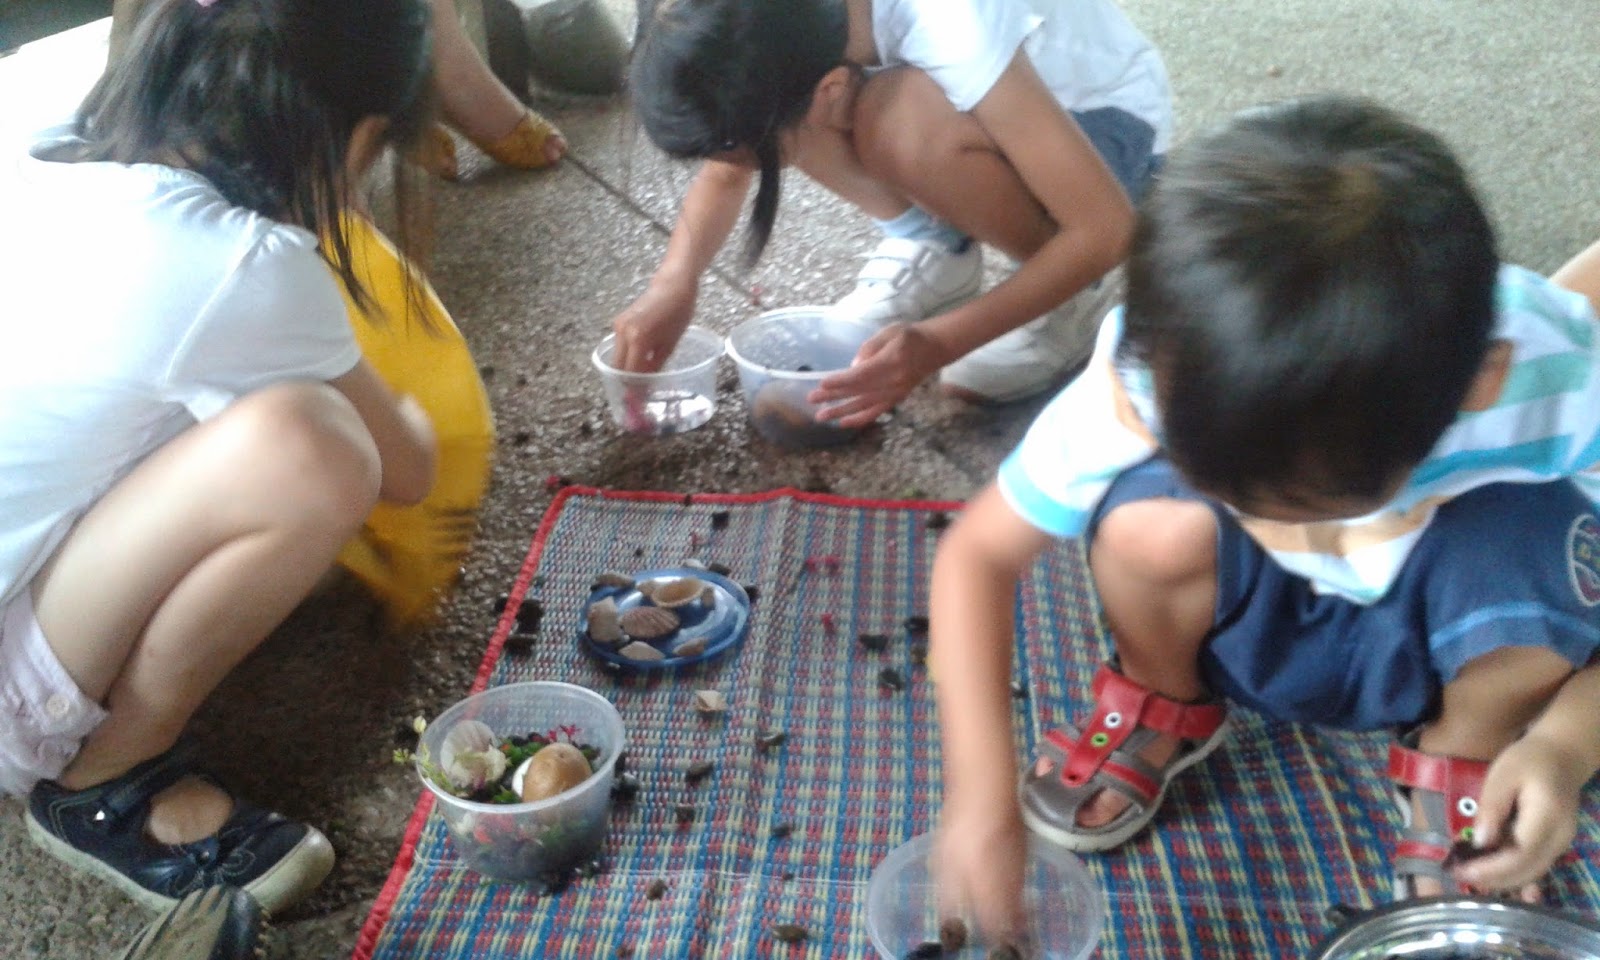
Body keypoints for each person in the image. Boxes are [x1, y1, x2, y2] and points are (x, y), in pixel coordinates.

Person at [927, 94, 1600, 935]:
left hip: (1448, 623)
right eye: (1228, 492)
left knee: (1543, 542)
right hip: (1251, 620)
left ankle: (1469, 747)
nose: (1273, 529)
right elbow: (978, 556)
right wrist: (979, 794)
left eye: (1299, 503)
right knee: (1149, 521)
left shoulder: (1563, 382)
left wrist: (1564, 747)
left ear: (1480, 385)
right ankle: (1163, 692)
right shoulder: (1159, 360)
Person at [0, 0, 438, 915]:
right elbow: (408, 470)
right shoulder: (242, 264)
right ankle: (103, 781)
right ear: (359, 135)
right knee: (315, 447)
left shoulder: (38, 140)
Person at [613, 0, 1169, 421]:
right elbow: (731, 157)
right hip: (974, 103)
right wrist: (674, 282)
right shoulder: (777, 25)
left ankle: (1076, 294)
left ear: (832, 86)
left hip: (1097, 127)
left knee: (893, 120)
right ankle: (935, 246)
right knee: (792, 122)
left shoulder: (955, 23)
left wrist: (939, 342)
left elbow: (1105, 229)